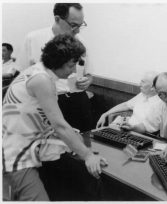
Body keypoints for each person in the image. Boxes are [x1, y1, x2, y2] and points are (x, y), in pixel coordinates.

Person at [2, 34, 107, 201]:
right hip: (15, 153)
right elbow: (59, 125)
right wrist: (88, 155)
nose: (74, 71)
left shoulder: (38, 70)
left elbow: (46, 121)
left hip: (25, 143)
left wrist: (78, 143)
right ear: (59, 61)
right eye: (72, 65)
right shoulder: (42, 80)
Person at [17, 3, 93, 132]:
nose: (78, 31)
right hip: (47, 101)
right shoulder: (33, 39)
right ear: (57, 19)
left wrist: (87, 81)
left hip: (77, 100)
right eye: (74, 25)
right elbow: (22, 75)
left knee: (83, 141)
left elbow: (89, 73)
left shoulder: (81, 41)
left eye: (81, 26)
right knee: (51, 146)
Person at [96, 71, 160, 128]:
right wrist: (105, 114)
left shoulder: (159, 104)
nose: (139, 84)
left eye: (143, 82)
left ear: (152, 87)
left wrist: (131, 127)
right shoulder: (143, 95)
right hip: (127, 128)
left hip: (139, 133)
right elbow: (126, 105)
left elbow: (148, 128)